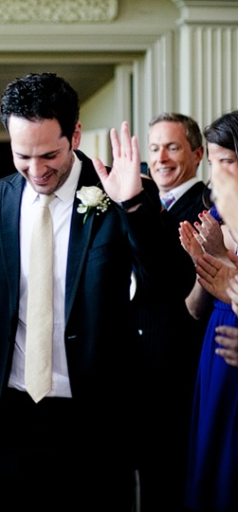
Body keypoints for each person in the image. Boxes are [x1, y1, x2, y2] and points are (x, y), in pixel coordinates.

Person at [0, 73, 176, 511]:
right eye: (23, 155)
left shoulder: (120, 193)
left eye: (50, 155)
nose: (37, 170)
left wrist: (134, 205)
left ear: (74, 135)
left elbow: (166, 286)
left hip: (97, 418)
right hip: (14, 417)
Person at [131, 112, 209, 511]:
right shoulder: (144, 202)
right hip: (134, 369)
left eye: (173, 147)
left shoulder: (207, 207)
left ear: (197, 154)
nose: (160, 157)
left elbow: (169, 278)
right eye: (155, 147)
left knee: (171, 483)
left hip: (177, 366)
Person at [179, 111, 238, 512]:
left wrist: (223, 258)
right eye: (214, 161)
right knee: (210, 457)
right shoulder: (215, 215)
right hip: (215, 343)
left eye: (228, 159)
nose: (218, 170)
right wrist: (203, 264)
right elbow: (193, 309)